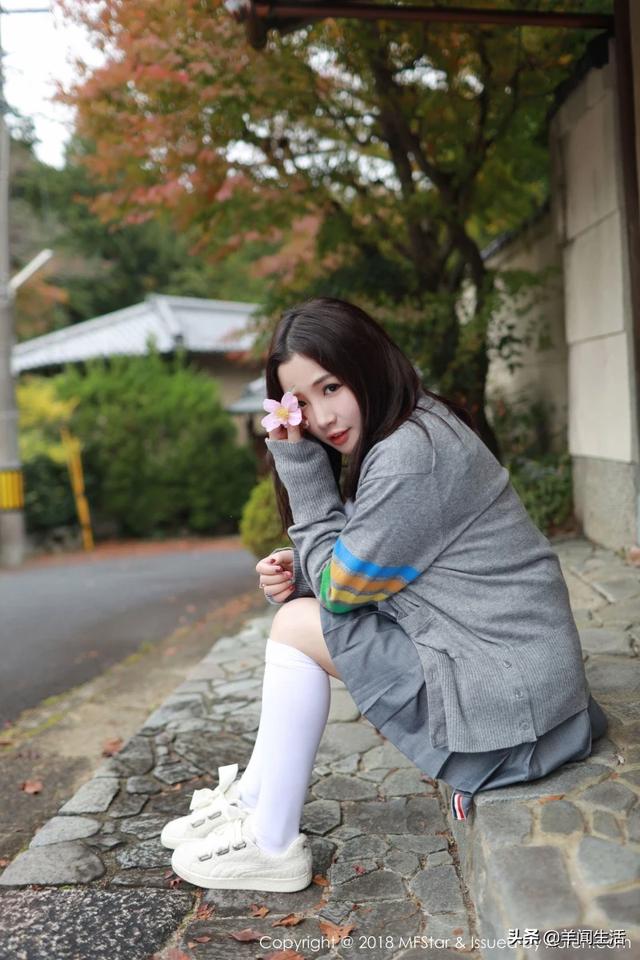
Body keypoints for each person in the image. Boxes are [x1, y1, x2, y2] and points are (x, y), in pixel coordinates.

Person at [166, 296, 608, 892]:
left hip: (515, 717)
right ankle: (252, 800)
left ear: (367, 363)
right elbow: (389, 556)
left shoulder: (408, 456)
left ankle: (270, 842)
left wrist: (301, 472)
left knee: (297, 626)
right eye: (301, 402)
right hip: (522, 685)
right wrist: (307, 572)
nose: (322, 418)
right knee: (301, 612)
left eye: (331, 387)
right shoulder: (416, 426)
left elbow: (341, 594)